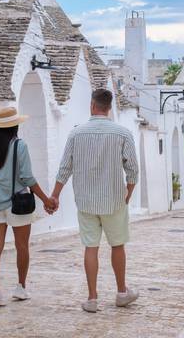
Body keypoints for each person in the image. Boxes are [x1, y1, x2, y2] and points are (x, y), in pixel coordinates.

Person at [49, 89, 140, 313]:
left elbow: (64, 169)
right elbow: (133, 170)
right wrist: (128, 192)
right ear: (109, 108)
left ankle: (91, 298)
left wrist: (54, 196)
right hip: (114, 200)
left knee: (91, 247)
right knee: (117, 245)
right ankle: (121, 292)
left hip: (86, 200)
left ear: (92, 105)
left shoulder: (76, 134)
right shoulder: (123, 133)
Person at [0, 107, 57, 306]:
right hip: (18, 204)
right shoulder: (19, 146)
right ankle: (20, 287)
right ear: (14, 125)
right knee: (21, 246)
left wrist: (0, 185)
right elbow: (27, 178)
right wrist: (46, 199)